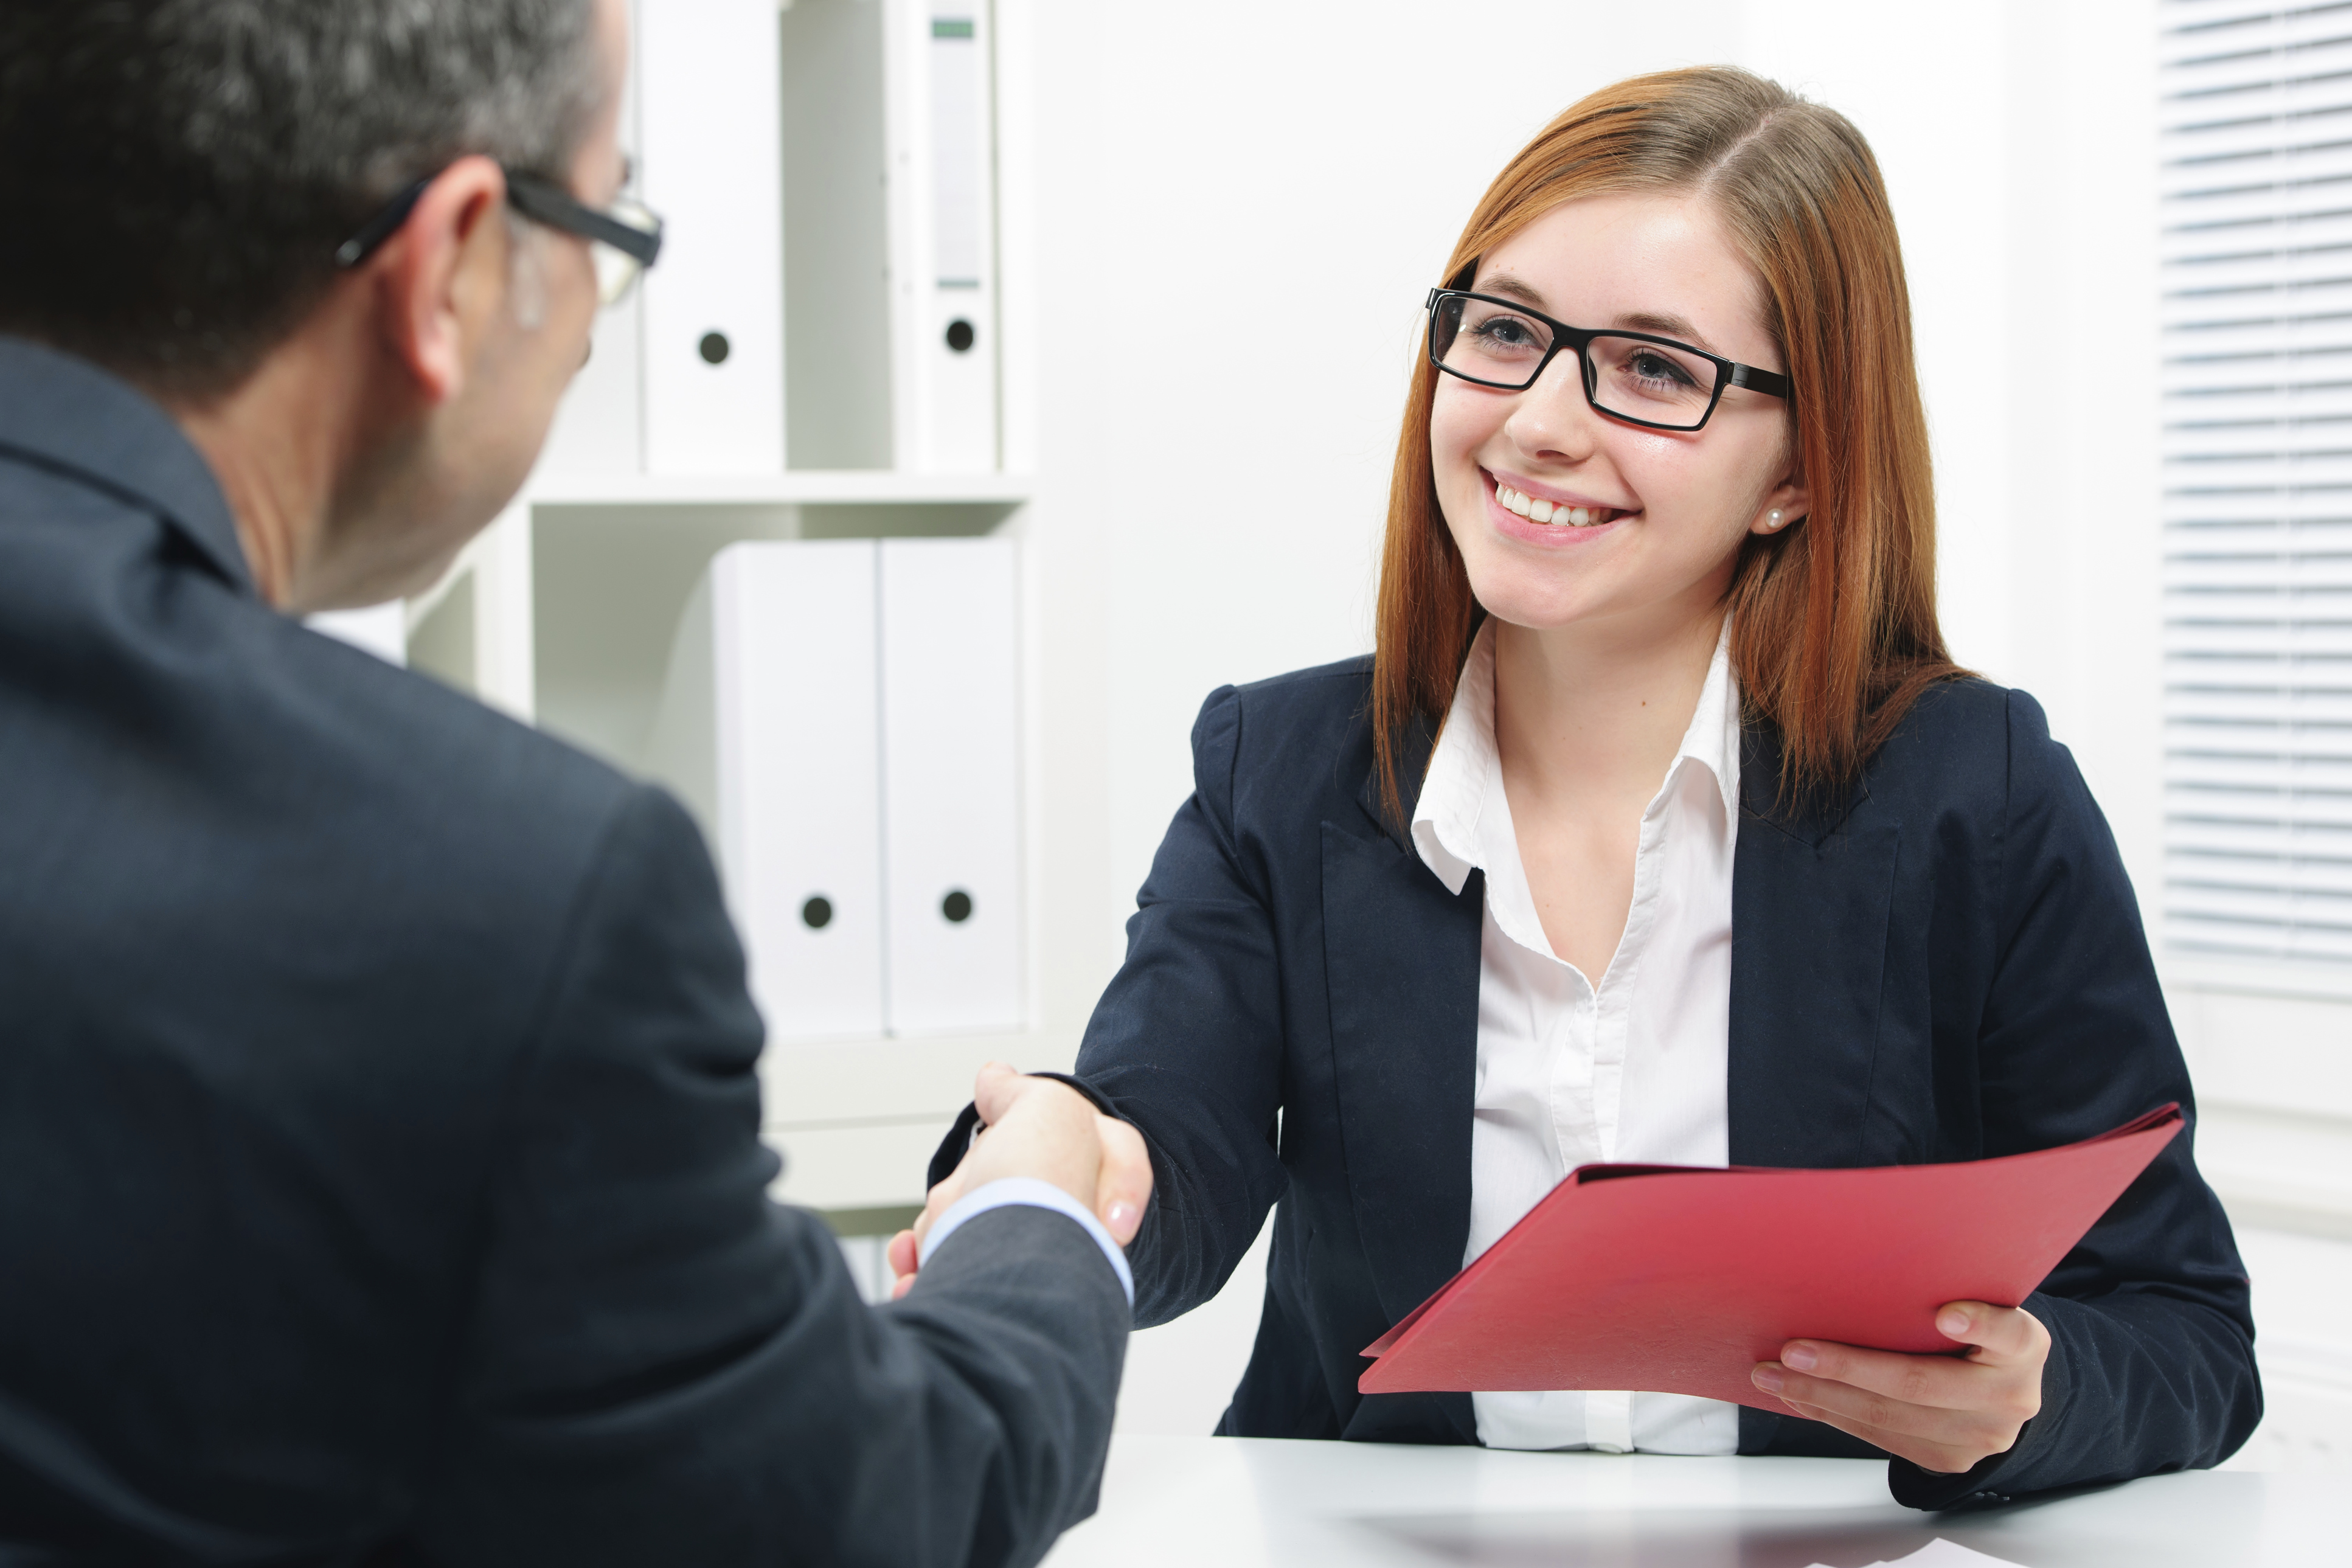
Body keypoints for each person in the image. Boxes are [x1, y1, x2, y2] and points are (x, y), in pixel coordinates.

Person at [913, 66, 2260, 1508]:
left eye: (1654, 370)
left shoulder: (1972, 794)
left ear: (1796, 470)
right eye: (1501, 333)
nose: (1541, 421)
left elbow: (2184, 1330)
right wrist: (1077, 1161)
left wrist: (2026, 1391)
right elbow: (1166, 1147)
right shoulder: (1280, 772)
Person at [0, 1, 1145, 1561]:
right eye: (610, 231)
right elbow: (869, 1511)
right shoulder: (498, 895)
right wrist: (1037, 1210)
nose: (599, 319)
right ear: (455, 263)